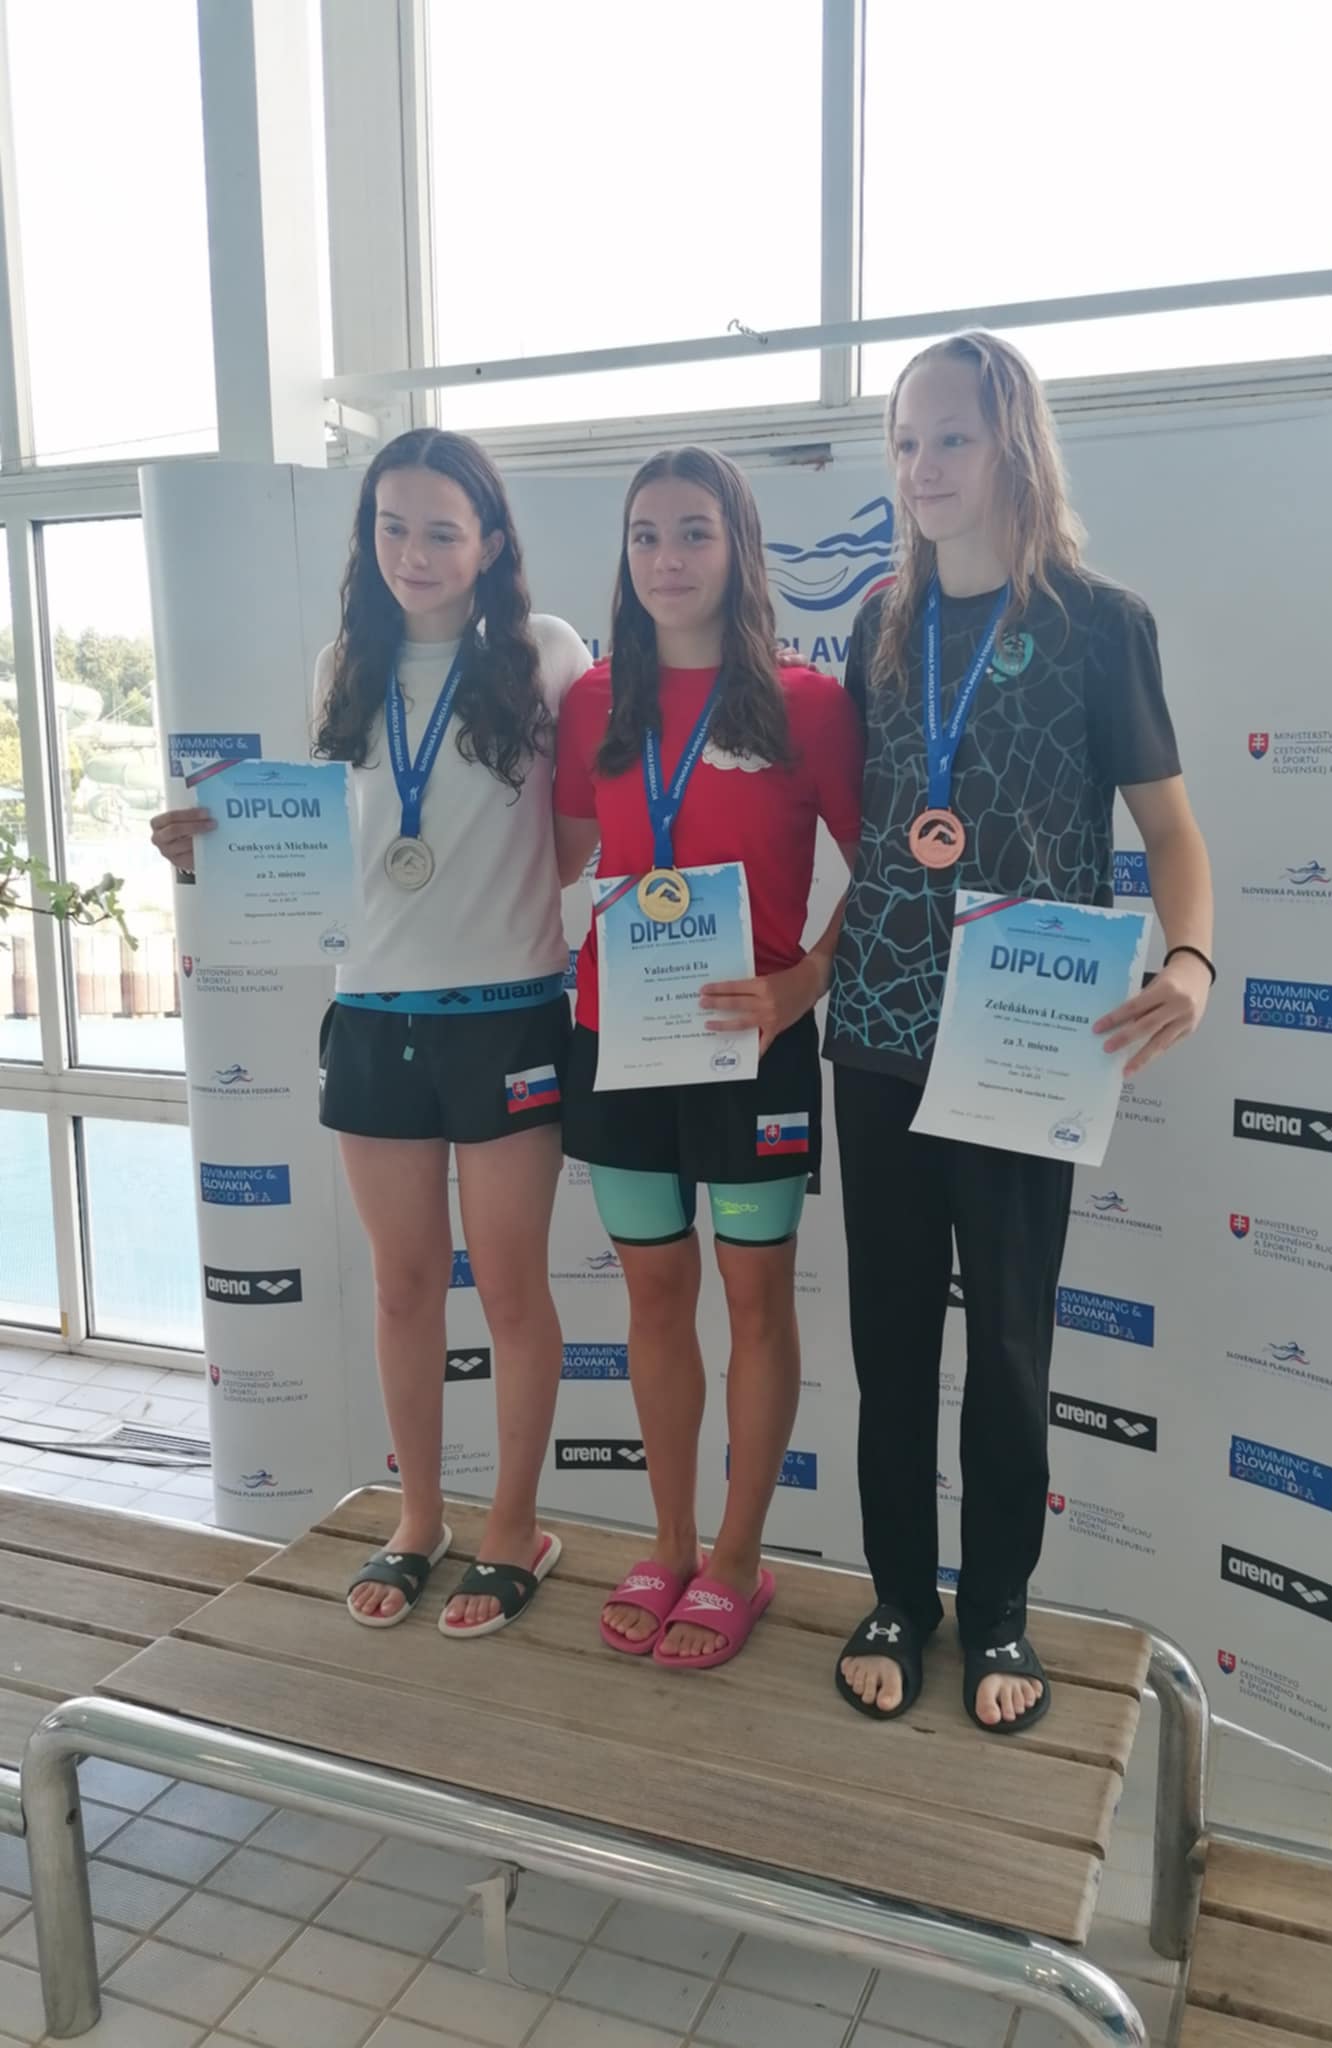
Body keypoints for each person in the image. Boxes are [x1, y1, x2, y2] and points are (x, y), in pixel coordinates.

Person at [825, 333, 1214, 1733]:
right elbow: (869, 823)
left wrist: (1192, 960)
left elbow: (1173, 834)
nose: (924, 467)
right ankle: (896, 1595)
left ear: (1014, 446)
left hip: (1024, 1041)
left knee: (1006, 1347)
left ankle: (998, 1610)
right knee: (887, 1344)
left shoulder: (1102, 623)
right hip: (879, 1027)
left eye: (952, 438)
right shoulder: (881, 624)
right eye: (905, 442)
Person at [150, 428, 592, 1637]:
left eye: (443, 530)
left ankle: (515, 1525)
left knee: (511, 1290)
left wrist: (493, 905)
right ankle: (420, 1516)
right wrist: (213, 853)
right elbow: (331, 853)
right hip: (373, 1017)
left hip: (507, 1018)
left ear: (490, 541)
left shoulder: (548, 654)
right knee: (403, 1289)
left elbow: (573, 842)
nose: (414, 552)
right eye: (392, 526)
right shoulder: (343, 664)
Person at [554, 446, 863, 1670]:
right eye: (646, 535)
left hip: (753, 1045)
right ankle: (670, 1540)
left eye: (693, 532)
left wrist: (804, 981)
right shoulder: (592, 701)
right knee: (652, 1296)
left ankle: (738, 1555)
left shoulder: (807, 702)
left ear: (739, 548)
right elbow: (546, 854)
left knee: (753, 1299)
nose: (667, 558)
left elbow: (886, 869)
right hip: (617, 1039)